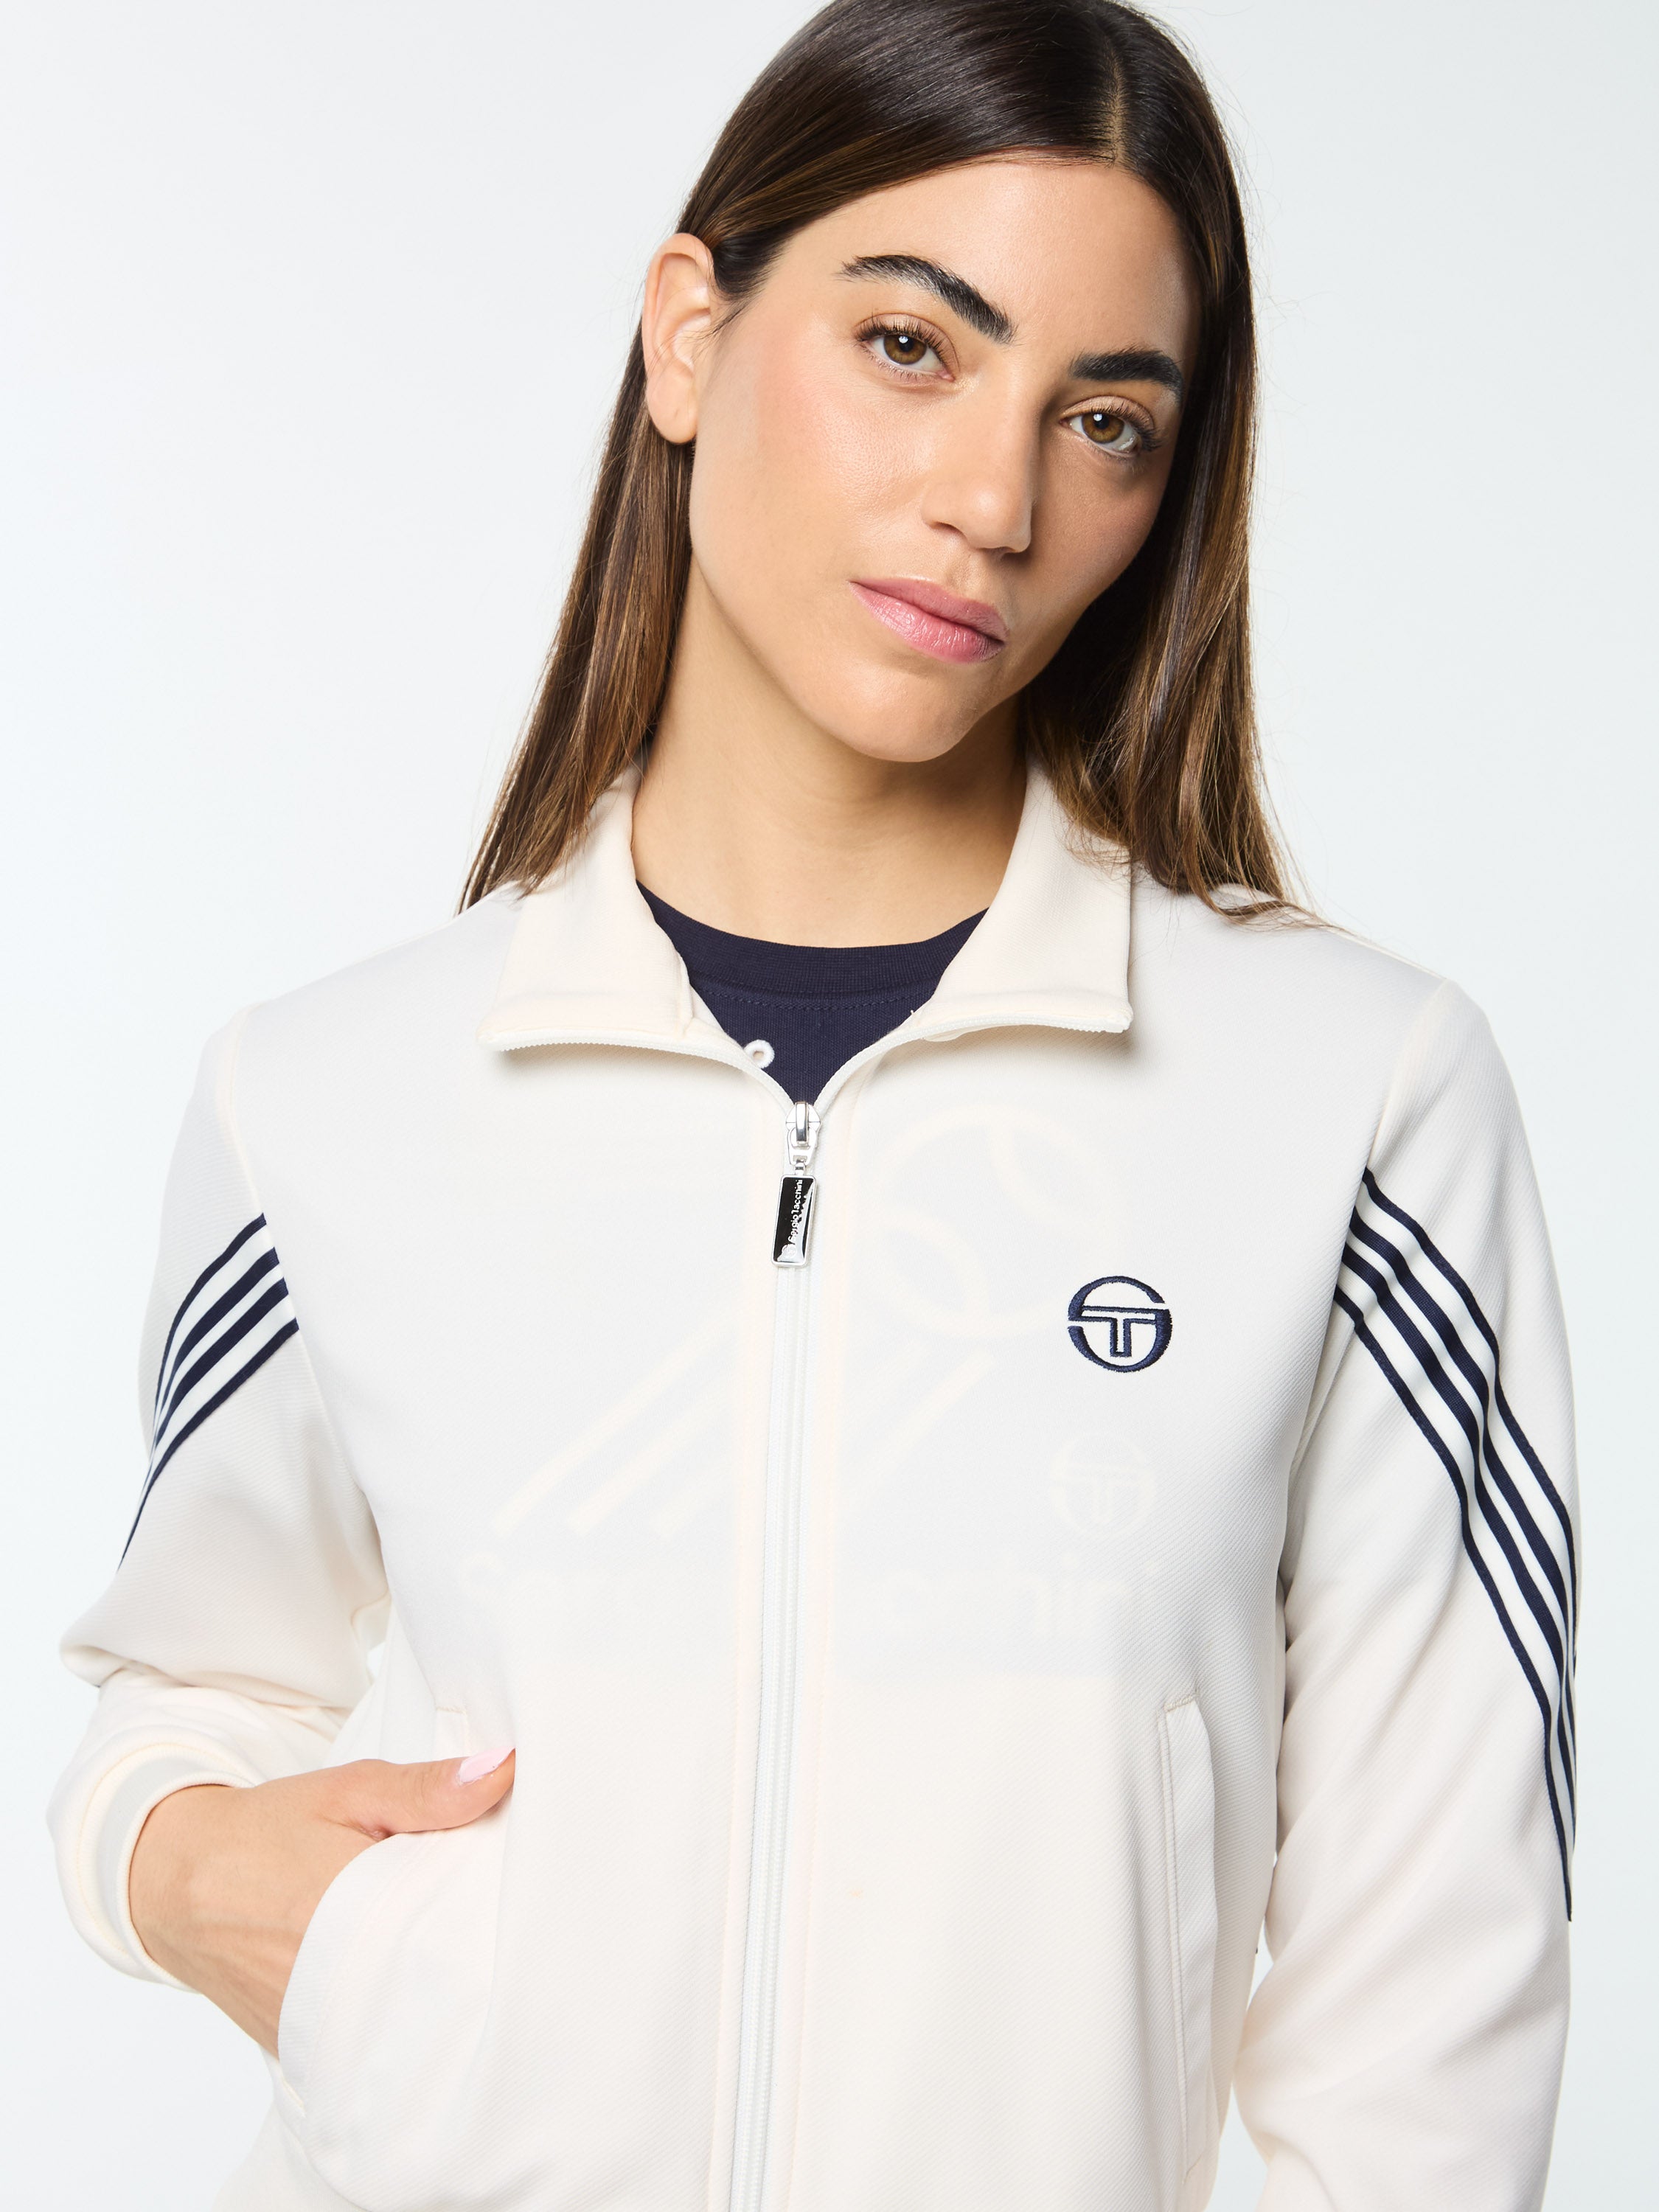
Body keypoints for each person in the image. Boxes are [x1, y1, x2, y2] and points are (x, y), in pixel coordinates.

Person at [48, 3, 1578, 2207]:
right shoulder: (332, 1097)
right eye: (908, 347)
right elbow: (182, 1685)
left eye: (1106, 421)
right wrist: (167, 1857)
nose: (994, 503)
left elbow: (1431, 2011)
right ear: (690, 333)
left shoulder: (1348, 1102)